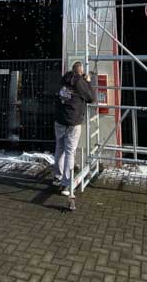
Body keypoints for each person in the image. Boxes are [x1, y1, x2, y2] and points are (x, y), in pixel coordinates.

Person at [53, 61, 94, 195]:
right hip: (73, 122)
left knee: (59, 149)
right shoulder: (79, 82)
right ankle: (66, 184)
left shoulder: (63, 80)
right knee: (70, 152)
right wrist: (88, 82)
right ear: (80, 71)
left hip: (59, 120)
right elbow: (90, 98)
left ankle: (57, 177)